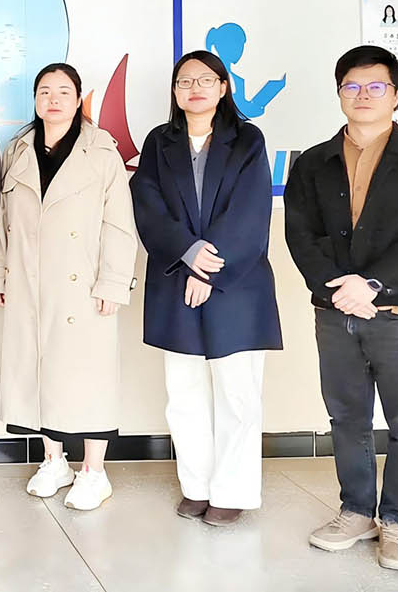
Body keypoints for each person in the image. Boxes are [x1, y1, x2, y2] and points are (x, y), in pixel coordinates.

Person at [284, 45, 398, 573]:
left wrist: (373, 285)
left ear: (396, 94)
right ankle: (357, 511)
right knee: (347, 417)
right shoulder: (313, 162)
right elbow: (301, 234)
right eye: (351, 86)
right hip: (335, 311)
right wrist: (339, 289)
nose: (363, 95)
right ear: (339, 93)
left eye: (375, 86)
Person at [129, 51, 282, 527]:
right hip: (176, 279)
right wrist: (187, 253)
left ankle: (231, 491)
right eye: (184, 81)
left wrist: (207, 270)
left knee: (237, 394)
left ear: (222, 87)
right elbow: (148, 204)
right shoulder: (159, 142)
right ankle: (196, 486)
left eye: (204, 80)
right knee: (184, 392)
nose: (194, 88)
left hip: (236, 284)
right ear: (175, 92)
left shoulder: (248, 140)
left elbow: (250, 211)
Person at [0, 63, 137, 512]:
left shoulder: (101, 152)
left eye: (63, 91)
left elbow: (119, 224)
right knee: (39, 371)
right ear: (35, 99)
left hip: (84, 284)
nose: (53, 99)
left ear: (77, 99)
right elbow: (0, 222)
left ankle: (94, 471)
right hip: (29, 281)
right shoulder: (17, 151)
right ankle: (54, 461)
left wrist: (113, 281)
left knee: (87, 375)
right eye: (44, 91)